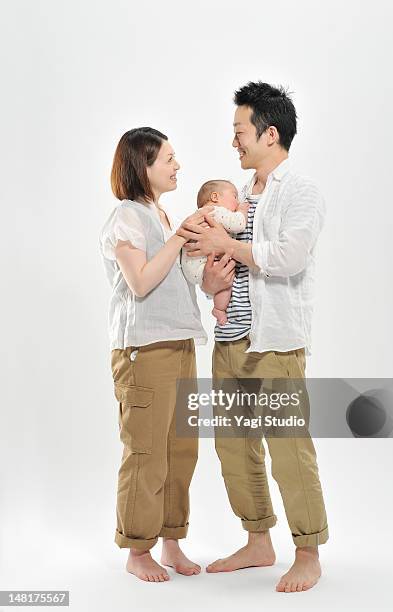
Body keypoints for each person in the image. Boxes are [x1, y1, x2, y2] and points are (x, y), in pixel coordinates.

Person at [177, 81, 329, 593]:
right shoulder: (232, 200)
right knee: (233, 445)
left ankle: (307, 552)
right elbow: (208, 266)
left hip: (276, 341)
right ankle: (258, 539)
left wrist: (230, 245)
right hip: (230, 341)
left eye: (240, 132)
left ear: (269, 133)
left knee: (288, 445)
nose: (234, 142)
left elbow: (289, 258)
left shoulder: (301, 192)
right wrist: (209, 280)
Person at [99, 127, 235, 583]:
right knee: (146, 452)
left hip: (178, 343)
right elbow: (139, 282)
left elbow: (178, 282)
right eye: (169, 159)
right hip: (144, 349)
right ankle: (138, 550)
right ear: (144, 166)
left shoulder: (159, 215)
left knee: (181, 451)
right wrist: (179, 238)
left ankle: (171, 541)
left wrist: (214, 279)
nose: (178, 166)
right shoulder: (127, 217)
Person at [181, 179, 249, 325]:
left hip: (191, 268)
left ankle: (218, 308)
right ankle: (219, 309)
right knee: (226, 279)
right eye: (234, 196)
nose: (237, 202)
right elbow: (238, 224)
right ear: (215, 197)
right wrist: (242, 211)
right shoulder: (215, 211)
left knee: (223, 279)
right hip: (203, 265)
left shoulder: (197, 215)